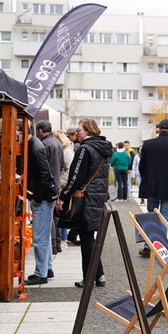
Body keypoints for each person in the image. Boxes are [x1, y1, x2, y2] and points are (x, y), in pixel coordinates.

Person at [56, 119, 113, 288]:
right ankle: (99, 274)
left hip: (85, 198)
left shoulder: (85, 149)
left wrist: (63, 197)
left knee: (86, 236)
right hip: (98, 197)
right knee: (89, 236)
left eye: (79, 130)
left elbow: (75, 177)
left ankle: (89, 278)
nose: (77, 133)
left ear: (88, 131)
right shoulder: (103, 149)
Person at [25, 134, 58, 286]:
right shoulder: (36, 145)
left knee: (40, 238)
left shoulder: (35, 148)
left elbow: (45, 175)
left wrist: (37, 196)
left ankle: (41, 273)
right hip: (46, 196)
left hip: (43, 198)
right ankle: (47, 268)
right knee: (44, 236)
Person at [139, 118, 168, 228]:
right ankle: (161, 243)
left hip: (151, 184)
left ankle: (149, 242)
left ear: (158, 130)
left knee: (151, 214)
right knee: (164, 215)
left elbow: (141, 167)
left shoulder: (148, 144)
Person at [37, 121, 63, 257]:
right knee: (54, 216)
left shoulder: (45, 144)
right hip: (56, 183)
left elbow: (42, 168)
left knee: (49, 218)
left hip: (48, 185)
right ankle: (57, 243)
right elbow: (62, 164)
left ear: (40, 130)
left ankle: (53, 244)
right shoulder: (58, 143)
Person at [53, 129, 74, 247]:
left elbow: (68, 170)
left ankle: (62, 239)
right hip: (63, 183)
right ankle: (62, 239)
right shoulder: (66, 150)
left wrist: (61, 183)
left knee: (61, 212)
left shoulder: (66, 152)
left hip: (63, 185)